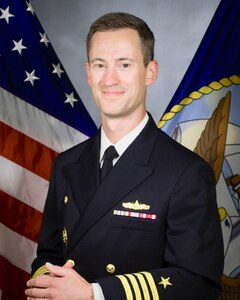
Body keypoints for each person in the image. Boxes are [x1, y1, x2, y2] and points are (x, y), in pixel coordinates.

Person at [25, 12, 224, 300]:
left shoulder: (187, 173)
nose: (110, 79)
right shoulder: (66, 164)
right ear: (88, 73)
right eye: (100, 65)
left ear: (150, 72)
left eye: (125, 64)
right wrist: (47, 287)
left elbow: (197, 282)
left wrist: (95, 293)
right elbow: (48, 255)